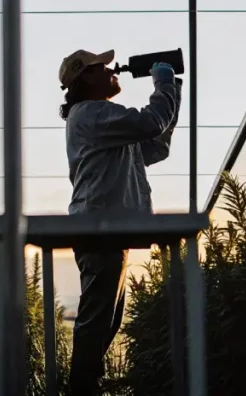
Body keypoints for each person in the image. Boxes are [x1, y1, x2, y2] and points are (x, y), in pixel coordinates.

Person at [57, 48, 181, 395]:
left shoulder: (101, 120)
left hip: (109, 229)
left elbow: (155, 148)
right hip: (99, 228)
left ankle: (85, 386)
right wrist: (163, 84)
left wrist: (174, 92)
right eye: (103, 67)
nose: (114, 70)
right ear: (86, 78)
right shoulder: (92, 114)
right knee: (97, 319)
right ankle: (81, 389)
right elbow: (151, 121)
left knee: (105, 319)